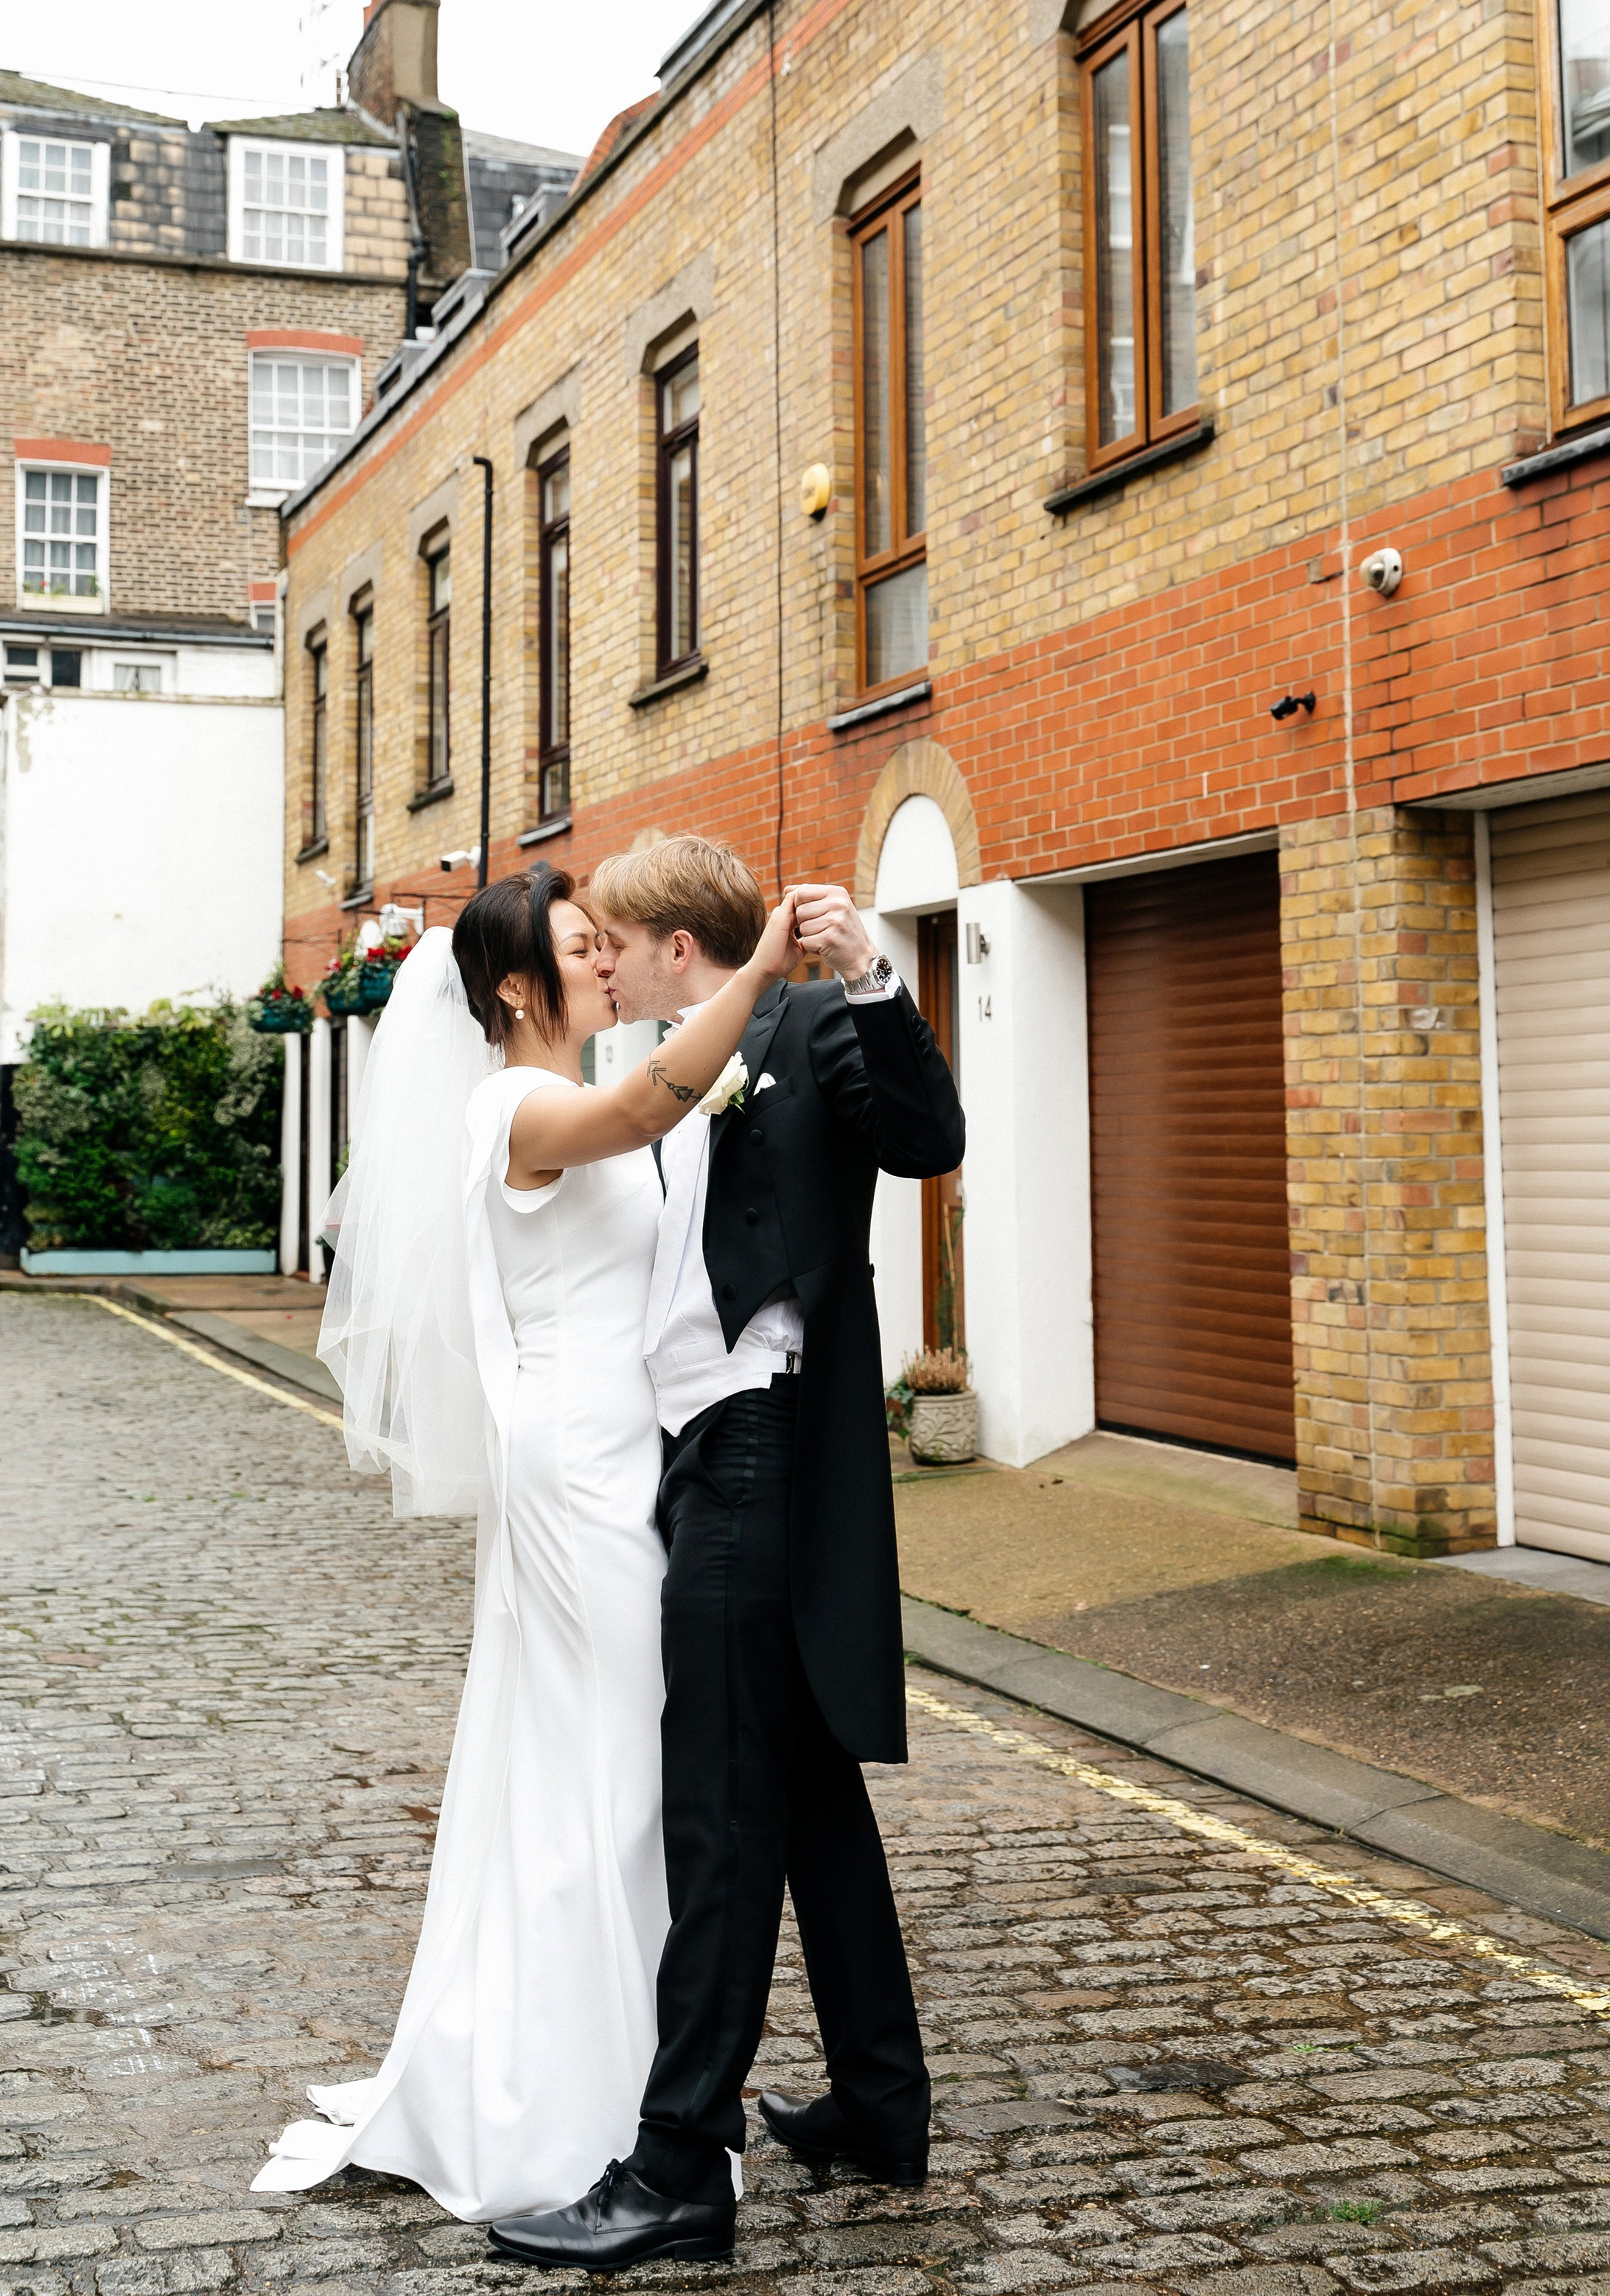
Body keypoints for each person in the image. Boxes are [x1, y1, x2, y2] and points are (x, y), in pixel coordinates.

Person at [252, 861, 801, 2226]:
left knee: (610, 1761)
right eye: (579, 946)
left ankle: (639, 2086)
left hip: (635, 1451)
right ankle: (594, 2103)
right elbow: (633, 1107)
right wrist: (759, 971)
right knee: (615, 1767)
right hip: (577, 1468)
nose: (607, 962)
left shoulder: (566, 1092)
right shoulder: (519, 1104)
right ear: (515, 986)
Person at [489, 836, 967, 2274]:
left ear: (671, 946)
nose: (599, 961)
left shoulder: (810, 1020)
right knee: (807, 1784)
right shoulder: (662, 1060)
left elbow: (927, 1137)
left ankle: (676, 2161)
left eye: (613, 943)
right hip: (689, 1460)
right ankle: (881, 2105)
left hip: (764, 1451)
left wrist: (872, 971)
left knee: (717, 1815)